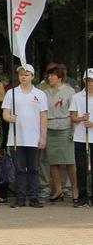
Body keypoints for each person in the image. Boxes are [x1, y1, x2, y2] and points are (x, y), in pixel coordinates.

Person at [1, 64, 48, 208]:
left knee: (34, 168)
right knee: (20, 169)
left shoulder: (40, 94)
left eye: (26, 75)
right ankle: (20, 198)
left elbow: (44, 117)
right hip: (17, 138)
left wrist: (43, 137)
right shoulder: (11, 93)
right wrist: (10, 118)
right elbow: (5, 114)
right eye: (21, 74)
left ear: (32, 77)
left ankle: (34, 197)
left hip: (34, 138)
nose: (23, 77)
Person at [42, 67, 77, 203]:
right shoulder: (44, 93)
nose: (49, 78)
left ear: (60, 77)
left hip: (65, 127)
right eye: (49, 75)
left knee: (69, 161)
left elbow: (74, 111)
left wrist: (73, 131)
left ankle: (74, 190)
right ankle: (58, 189)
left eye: (52, 75)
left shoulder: (70, 91)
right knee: (53, 161)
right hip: (50, 128)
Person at [69, 69, 93, 207]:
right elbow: (72, 117)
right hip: (80, 137)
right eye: (88, 81)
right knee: (81, 167)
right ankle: (83, 195)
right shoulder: (77, 97)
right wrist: (81, 119)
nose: (90, 84)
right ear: (84, 81)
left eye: (92, 81)